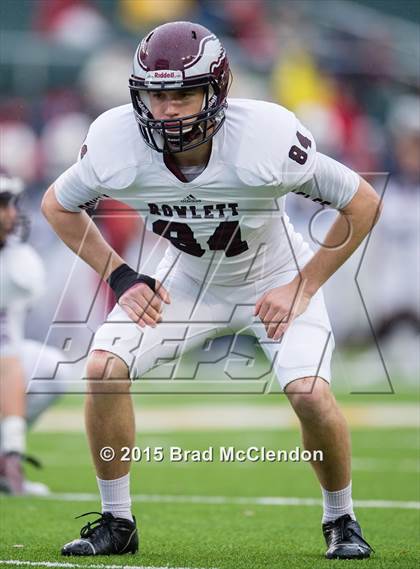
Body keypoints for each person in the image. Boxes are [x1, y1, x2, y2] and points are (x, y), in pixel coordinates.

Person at [42, 21, 380, 560]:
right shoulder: (116, 140)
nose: (167, 109)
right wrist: (122, 275)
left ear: (217, 91)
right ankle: (117, 520)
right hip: (184, 279)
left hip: (273, 275)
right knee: (103, 368)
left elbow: (361, 202)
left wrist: (302, 286)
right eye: (156, 94)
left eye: (182, 94)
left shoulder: (263, 138)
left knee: (310, 394)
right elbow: (57, 205)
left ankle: (342, 520)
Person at [0, 170, 67, 495]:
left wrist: (12, 443)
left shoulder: (14, 264)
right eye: (2, 205)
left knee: (50, 368)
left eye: (10, 204)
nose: (10, 215)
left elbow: (7, 359)